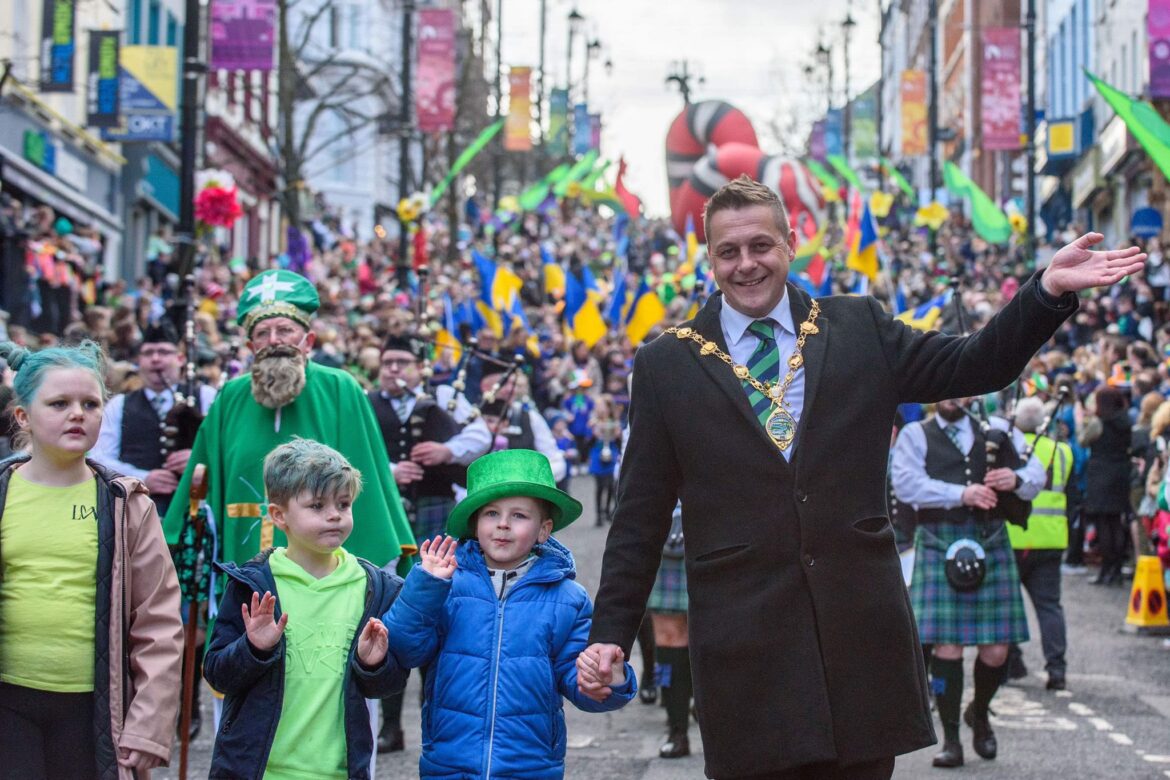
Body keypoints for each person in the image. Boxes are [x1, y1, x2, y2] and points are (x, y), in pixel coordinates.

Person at [575, 175, 1146, 780]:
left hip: (859, 642)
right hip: (745, 651)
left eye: (761, 246)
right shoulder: (667, 363)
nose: (747, 264)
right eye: (728, 252)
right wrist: (610, 631)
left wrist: (1046, 290)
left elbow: (975, 362)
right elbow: (640, 514)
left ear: (790, 244)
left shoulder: (857, 327)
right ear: (710, 258)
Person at [384, 448, 636, 778]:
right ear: (475, 524)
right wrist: (424, 589)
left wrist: (605, 679)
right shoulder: (447, 585)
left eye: (519, 515)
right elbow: (404, 647)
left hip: (530, 764)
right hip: (448, 761)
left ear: (544, 530)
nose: (503, 524)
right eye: (491, 513)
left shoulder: (568, 599)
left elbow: (577, 679)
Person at [0, 341, 184, 779]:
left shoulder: (126, 503)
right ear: (23, 415)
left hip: (96, 710)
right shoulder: (2, 492)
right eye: (59, 403)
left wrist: (147, 728)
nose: (77, 413)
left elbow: (158, 622)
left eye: (90, 403)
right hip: (8, 707)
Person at [163, 269, 416, 574]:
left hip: (326, 571)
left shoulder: (340, 388)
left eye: (285, 330)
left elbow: (368, 486)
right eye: (262, 334)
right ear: (250, 347)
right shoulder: (231, 396)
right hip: (242, 568)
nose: (274, 341)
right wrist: (177, 546)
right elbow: (198, 484)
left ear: (308, 340)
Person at [203, 438, 408, 779]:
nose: (334, 516)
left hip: (340, 772)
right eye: (317, 506)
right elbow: (217, 673)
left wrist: (373, 664)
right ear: (279, 515)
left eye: (344, 504)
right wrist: (253, 648)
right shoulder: (252, 585)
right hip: (259, 772)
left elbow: (386, 685)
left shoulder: (373, 588)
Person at [891, 396, 1044, 768]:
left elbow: (1037, 473)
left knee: (997, 651)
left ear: (973, 395)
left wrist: (1017, 478)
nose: (952, 398)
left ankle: (979, 712)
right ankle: (952, 739)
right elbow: (906, 484)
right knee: (948, 647)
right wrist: (960, 493)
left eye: (960, 391)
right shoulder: (917, 433)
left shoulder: (998, 430)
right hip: (939, 537)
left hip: (990, 538)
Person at [366, 333, 484, 752]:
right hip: (388, 519)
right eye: (388, 361)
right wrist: (387, 470)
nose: (394, 369)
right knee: (389, 611)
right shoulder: (366, 402)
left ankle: (432, 719)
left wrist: (445, 449)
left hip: (434, 514)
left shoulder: (446, 400)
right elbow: (353, 453)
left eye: (403, 362)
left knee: (433, 611)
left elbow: (480, 437)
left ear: (421, 367)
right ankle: (390, 726)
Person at [91, 317, 216, 517]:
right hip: (137, 512)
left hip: (196, 510)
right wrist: (142, 477)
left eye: (165, 352)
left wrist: (199, 460)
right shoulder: (119, 404)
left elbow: (225, 449)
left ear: (181, 359)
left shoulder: (206, 396)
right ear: (138, 361)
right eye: (148, 353)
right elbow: (98, 458)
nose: (156, 359)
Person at [1006, 396, 1073, 692]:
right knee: (1049, 607)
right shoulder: (1062, 451)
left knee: (1007, 604)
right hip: (1050, 537)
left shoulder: (1012, 448)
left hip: (1012, 536)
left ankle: (1012, 662)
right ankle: (1056, 668)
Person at [1081, 385, 1134, 585]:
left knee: (1103, 522)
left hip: (1101, 472)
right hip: (1121, 471)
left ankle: (1106, 569)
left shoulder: (1098, 422)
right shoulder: (1126, 420)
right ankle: (1117, 569)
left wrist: (1082, 420)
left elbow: (1083, 440)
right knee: (1117, 522)